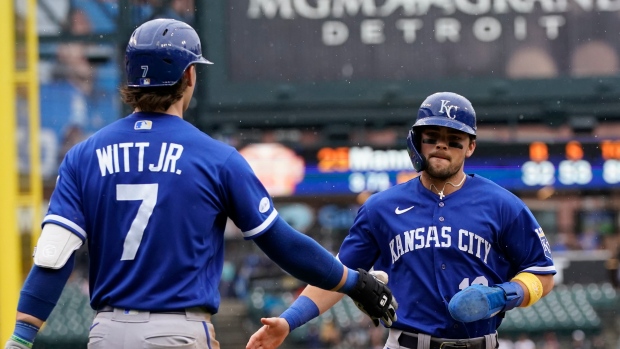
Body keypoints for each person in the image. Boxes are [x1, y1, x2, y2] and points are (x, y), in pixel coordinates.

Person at [4, 18, 396, 349]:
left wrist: (20, 338)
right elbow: (281, 242)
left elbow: (54, 257)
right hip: (179, 332)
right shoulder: (216, 157)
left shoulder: (83, 155)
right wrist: (351, 282)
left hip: (107, 332)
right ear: (189, 75)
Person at [246, 92, 556, 349]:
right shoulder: (381, 207)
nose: (442, 145)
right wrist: (289, 320)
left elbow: (543, 274)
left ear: (471, 146)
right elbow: (336, 276)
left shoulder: (503, 205)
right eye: (432, 136)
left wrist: (505, 295)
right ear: (417, 142)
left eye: (454, 139)